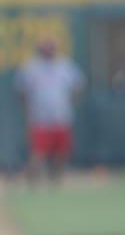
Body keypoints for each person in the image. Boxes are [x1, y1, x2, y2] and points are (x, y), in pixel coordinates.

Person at [14, 36, 85, 184]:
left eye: (51, 48)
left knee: (62, 152)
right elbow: (21, 90)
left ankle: (56, 181)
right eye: (45, 48)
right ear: (40, 50)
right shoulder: (31, 67)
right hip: (40, 117)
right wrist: (27, 111)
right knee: (38, 152)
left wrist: (72, 102)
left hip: (61, 115)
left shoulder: (64, 65)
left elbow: (79, 85)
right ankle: (31, 181)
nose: (48, 51)